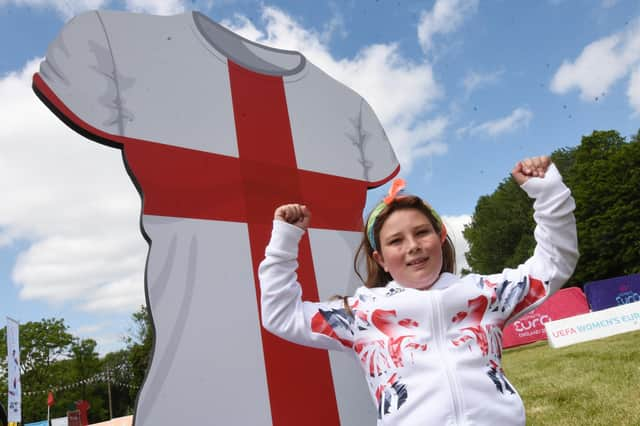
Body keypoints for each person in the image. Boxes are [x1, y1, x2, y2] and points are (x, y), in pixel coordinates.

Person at [259, 156, 578, 426]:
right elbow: (281, 315)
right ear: (380, 259)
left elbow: (553, 265)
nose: (412, 247)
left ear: (440, 238)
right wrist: (285, 241)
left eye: (422, 232)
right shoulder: (363, 315)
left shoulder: (484, 294)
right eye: (396, 241)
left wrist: (548, 194)